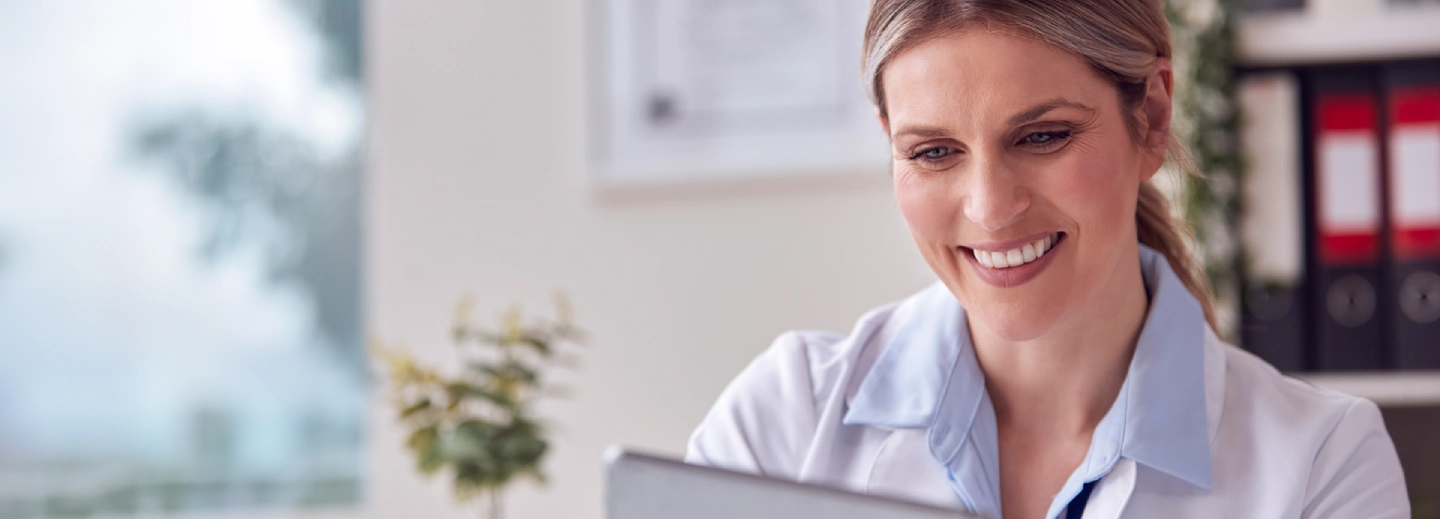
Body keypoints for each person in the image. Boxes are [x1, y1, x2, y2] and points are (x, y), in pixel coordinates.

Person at [684, 1, 1410, 518]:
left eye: (1042, 137)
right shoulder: (782, 422)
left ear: (1152, 116)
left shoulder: (1322, 462)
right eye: (934, 152)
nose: (991, 207)